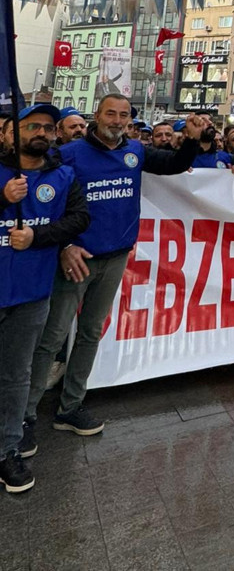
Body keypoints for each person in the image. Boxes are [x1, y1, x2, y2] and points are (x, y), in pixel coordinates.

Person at [22, 94, 206, 450]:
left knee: (91, 332)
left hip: (115, 257)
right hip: (75, 258)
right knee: (53, 336)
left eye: (124, 115)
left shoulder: (135, 150)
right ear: (97, 115)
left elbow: (172, 164)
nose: (118, 120)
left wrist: (194, 141)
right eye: (111, 113)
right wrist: (63, 245)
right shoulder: (70, 153)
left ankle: (69, 407)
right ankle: (25, 415)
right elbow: (42, 195)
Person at [0, 105, 90, 493]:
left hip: (31, 294)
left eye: (48, 127)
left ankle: (6, 449)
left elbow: (78, 218)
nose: (41, 131)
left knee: (15, 376)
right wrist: (3, 198)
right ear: (7, 133)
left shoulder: (63, 175)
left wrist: (41, 237)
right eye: (30, 125)